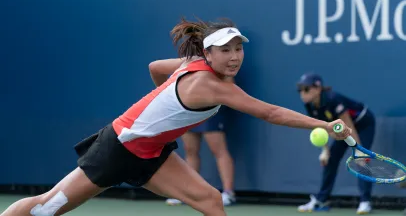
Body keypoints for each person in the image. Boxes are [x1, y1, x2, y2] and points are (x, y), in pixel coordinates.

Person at [0, 17, 352, 216]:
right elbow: (271, 112)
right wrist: (323, 124)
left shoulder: (189, 65)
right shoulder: (213, 85)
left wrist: (174, 106)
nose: (234, 57)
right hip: (119, 147)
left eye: (239, 48)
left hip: (151, 153)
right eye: (225, 51)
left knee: (211, 200)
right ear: (208, 53)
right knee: (46, 209)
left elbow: (155, 68)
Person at [296, 73, 375, 214]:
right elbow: (320, 128)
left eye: (306, 89)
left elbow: (348, 126)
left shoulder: (333, 99)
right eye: (300, 90)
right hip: (343, 129)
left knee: (362, 159)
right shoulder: (309, 105)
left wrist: (359, 150)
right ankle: (322, 200)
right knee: (330, 160)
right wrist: (325, 151)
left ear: (318, 88)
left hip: (363, 124)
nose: (302, 93)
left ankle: (365, 201)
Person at [166, 92, 236, 206]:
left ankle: (228, 193)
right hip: (187, 111)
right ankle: (188, 193)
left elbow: (228, 84)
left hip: (210, 109)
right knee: (190, 150)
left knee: (219, 150)